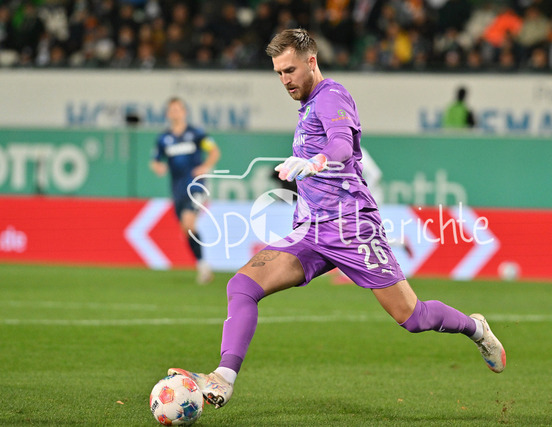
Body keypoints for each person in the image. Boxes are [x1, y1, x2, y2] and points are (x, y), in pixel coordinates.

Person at [168, 29, 505, 408]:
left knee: (412, 317)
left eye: (290, 70)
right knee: (242, 286)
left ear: (311, 61)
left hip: (352, 228)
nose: (285, 80)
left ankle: (476, 328)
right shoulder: (307, 106)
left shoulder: (331, 96)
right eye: (279, 73)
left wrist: (316, 161)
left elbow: (341, 144)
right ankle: (224, 378)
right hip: (313, 231)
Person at [150, 97, 220, 284]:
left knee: (189, 222)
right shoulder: (164, 139)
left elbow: (214, 151)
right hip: (178, 189)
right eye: (171, 110)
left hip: (196, 185)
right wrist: (158, 167)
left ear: (184, 112)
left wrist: (205, 166)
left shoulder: (196, 134)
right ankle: (202, 265)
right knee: (186, 229)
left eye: (178, 109)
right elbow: (155, 160)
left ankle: (203, 267)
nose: (175, 113)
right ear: (168, 114)